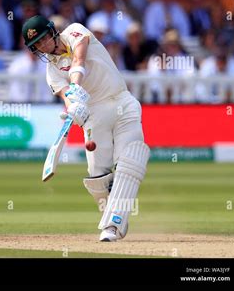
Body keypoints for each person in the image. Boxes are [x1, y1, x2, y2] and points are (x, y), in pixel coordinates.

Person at [22, 15, 150, 242]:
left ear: (52, 32)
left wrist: (75, 87)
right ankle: (114, 214)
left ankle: (112, 225)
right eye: (37, 45)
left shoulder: (74, 31)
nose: (43, 46)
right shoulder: (51, 72)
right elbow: (66, 98)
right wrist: (73, 108)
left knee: (130, 162)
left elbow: (79, 59)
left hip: (122, 102)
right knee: (98, 179)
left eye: (43, 39)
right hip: (94, 114)